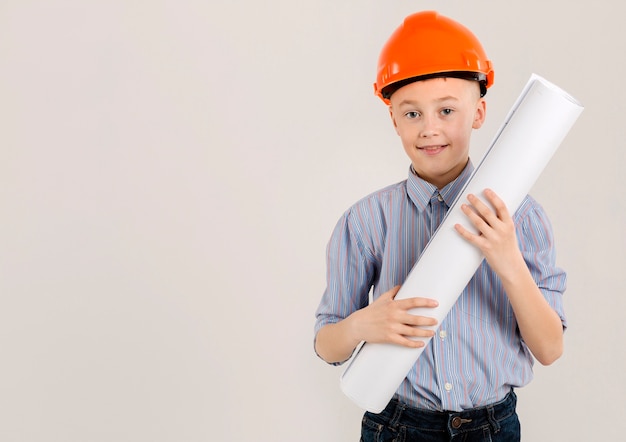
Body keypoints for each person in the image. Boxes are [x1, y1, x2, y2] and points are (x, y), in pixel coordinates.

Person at [313, 10, 567, 442]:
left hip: (492, 428)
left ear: (478, 113)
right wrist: (360, 326)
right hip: (397, 426)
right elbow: (326, 343)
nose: (430, 129)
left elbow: (549, 349)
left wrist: (507, 259)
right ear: (393, 119)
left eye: (447, 110)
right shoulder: (366, 222)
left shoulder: (521, 217)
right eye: (412, 114)